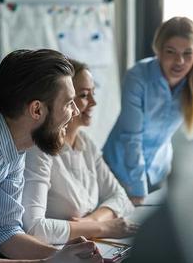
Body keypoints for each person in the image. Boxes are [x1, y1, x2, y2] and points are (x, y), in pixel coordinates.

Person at [0, 49, 103, 263]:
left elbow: (7, 233)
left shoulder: (16, 143)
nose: (76, 111)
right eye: (68, 103)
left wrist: (60, 256)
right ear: (37, 110)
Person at [22, 58, 138, 245]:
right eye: (84, 95)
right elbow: (34, 229)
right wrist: (103, 227)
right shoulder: (39, 149)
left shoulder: (86, 144)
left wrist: (91, 222)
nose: (93, 102)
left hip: (89, 242)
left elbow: (120, 197)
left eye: (93, 93)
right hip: (56, 251)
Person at [103, 16, 193, 205]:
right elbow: (132, 137)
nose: (179, 61)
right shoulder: (138, 76)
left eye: (188, 53)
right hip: (119, 170)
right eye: (171, 52)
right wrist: (137, 190)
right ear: (158, 50)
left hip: (158, 171)